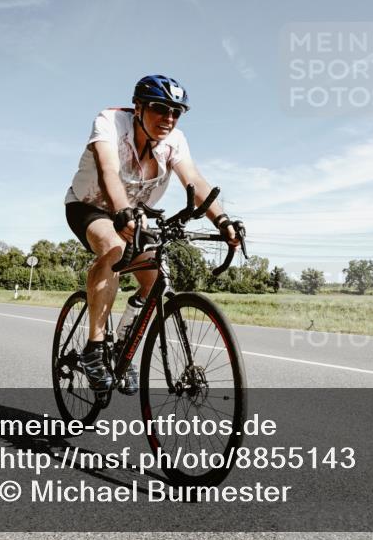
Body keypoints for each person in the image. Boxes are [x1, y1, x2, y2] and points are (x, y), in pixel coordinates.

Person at [64, 75, 243, 394]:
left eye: (177, 112)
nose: (169, 118)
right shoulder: (110, 122)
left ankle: (122, 344)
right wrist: (120, 210)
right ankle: (94, 348)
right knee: (114, 248)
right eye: (160, 108)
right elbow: (107, 170)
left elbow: (195, 182)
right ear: (138, 107)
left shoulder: (175, 140)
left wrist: (224, 221)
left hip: (134, 214)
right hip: (89, 205)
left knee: (153, 279)